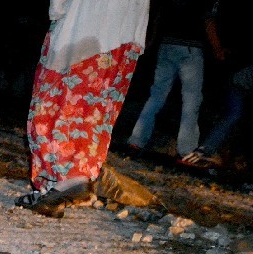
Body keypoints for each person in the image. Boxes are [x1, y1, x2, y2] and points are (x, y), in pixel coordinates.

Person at [18, 0, 150, 218]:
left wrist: (58, 8)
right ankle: (63, 183)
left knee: (56, 99)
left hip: (87, 20)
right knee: (97, 106)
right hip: (127, 23)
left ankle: (69, 179)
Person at [126, 0, 211, 159]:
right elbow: (208, 21)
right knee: (191, 99)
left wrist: (152, 39)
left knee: (157, 95)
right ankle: (186, 149)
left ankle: (136, 140)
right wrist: (218, 50)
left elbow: (159, 15)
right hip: (190, 48)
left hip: (166, 45)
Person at [179, 0, 251, 168]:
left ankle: (215, 153)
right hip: (237, 83)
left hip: (236, 78)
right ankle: (204, 151)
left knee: (235, 116)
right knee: (234, 114)